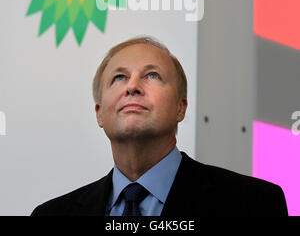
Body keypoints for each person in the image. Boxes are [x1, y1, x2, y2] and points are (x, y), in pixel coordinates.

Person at [31, 36, 288, 216]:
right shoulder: (51, 214)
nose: (132, 86)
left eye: (151, 75)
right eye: (119, 77)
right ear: (99, 113)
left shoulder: (254, 204)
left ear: (181, 107)